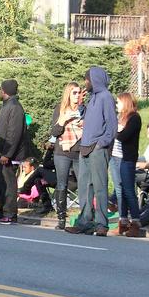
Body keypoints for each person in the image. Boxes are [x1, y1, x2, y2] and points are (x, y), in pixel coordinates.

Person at [65, 67, 116, 236]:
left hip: (97, 148)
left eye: (87, 79)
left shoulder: (105, 97)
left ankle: (102, 224)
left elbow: (111, 125)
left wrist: (102, 143)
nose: (86, 83)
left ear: (95, 79)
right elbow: (88, 120)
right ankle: (85, 221)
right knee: (85, 187)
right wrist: (81, 106)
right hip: (85, 147)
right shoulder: (93, 98)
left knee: (100, 186)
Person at [0, 79, 27, 225]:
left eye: (0, 89)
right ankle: (1, 210)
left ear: (4, 91)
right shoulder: (7, 105)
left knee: (9, 184)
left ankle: (10, 213)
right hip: (1, 153)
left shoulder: (15, 107)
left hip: (9, 155)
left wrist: (7, 153)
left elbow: (13, 133)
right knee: (0, 184)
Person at [49, 81, 85, 229]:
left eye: (78, 93)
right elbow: (55, 132)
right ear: (68, 95)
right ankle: (61, 218)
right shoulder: (60, 109)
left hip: (79, 151)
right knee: (61, 184)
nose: (76, 96)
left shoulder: (84, 109)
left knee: (83, 184)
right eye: (74, 93)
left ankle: (86, 216)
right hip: (62, 151)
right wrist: (63, 120)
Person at [114, 92, 143, 237]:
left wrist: (116, 131)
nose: (116, 105)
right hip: (122, 158)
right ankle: (123, 221)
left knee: (129, 191)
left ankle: (136, 221)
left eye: (118, 102)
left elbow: (124, 136)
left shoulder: (134, 118)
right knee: (122, 190)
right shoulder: (123, 118)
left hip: (128, 159)